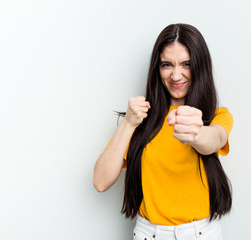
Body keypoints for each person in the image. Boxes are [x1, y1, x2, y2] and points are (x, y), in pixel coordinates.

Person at [93, 23, 234, 240]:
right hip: (150, 234)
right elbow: (100, 181)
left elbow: (214, 139)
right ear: (157, 69)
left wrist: (196, 133)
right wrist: (129, 124)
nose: (176, 75)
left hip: (202, 233)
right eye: (167, 65)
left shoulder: (215, 116)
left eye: (186, 64)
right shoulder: (141, 118)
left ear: (200, 66)